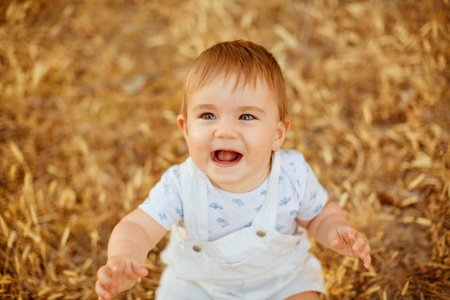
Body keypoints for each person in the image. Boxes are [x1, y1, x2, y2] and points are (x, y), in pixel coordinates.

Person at [95, 40, 371, 300]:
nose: (225, 130)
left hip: (281, 281)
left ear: (277, 134)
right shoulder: (180, 184)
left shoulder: (292, 174)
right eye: (208, 115)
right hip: (201, 288)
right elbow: (137, 227)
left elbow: (319, 216)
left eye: (246, 116)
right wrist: (124, 256)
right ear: (187, 129)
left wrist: (338, 231)